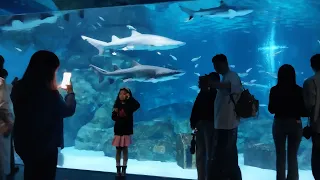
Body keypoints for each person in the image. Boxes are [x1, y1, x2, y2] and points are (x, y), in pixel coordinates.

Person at [10, 50, 76, 180]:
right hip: (45, 145)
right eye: (55, 70)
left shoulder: (19, 87)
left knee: (30, 172)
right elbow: (67, 110)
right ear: (49, 71)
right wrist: (70, 92)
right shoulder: (49, 93)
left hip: (23, 141)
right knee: (45, 175)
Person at [268, 64, 307, 180]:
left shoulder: (274, 90)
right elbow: (304, 111)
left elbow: (271, 109)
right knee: (292, 156)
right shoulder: (299, 90)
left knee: (280, 155)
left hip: (279, 123)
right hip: (295, 123)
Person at [209, 54, 242, 180]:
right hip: (223, 125)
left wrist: (212, 84)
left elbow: (228, 87)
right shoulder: (225, 78)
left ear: (224, 63)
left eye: (217, 65)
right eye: (214, 66)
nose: (216, 68)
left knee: (228, 156)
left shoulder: (232, 76)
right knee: (227, 155)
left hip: (228, 125)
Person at [190, 72, 219, 180]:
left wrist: (193, 123)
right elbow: (195, 109)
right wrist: (193, 123)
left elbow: (196, 110)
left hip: (209, 126)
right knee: (202, 154)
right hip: (202, 126)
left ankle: (207, 177)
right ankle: (202, 177)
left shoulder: (214, 94)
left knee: (207, 154)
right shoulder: (203, 93)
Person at [111, 87, 140, 177]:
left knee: (125, 150)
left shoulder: (130, 105)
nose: (121, 95)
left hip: (126, 130)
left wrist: (130, 98)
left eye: (123, 93)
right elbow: (113, 118)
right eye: (120, 93)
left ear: (127, 95)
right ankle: (118, 169)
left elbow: (137, 105)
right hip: (118, 130)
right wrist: (115, 113)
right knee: (118, 150)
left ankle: (124, 170)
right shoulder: (117, 105)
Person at [303, 54, 320, 180]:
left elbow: (309, 104)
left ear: (312, 66)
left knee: (318, 159)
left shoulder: (310, 82)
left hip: (318, 126)